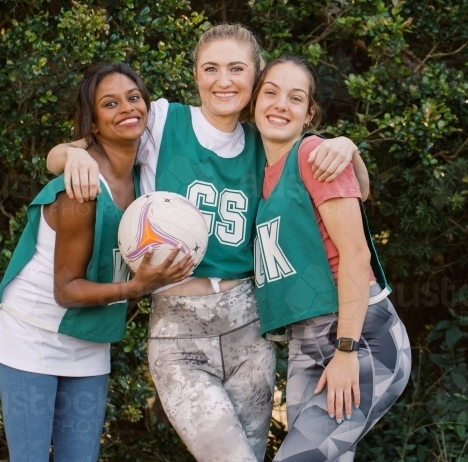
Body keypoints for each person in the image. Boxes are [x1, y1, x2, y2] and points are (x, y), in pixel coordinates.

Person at [45, 24, 367, 462]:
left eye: (237, 69)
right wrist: (75, 154)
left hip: (248, 325)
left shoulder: (267, 139)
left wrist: (347, 146)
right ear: (195, 75)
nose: (223, 80)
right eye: (210, 68)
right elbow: (59, 154)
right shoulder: (162, 120)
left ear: (255, 77)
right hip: (178, 331)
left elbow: (355, 189)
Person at [0, 63, 194, 462]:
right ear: (93, 123)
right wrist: (136, 288)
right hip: (33, 332)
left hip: (89, 338)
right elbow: (67, 290)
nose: (126, 108)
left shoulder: (146, 177)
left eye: (133, 97)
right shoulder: (82, 189)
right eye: (109, 103)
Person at [251, 55, 412, 462]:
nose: (280, 104)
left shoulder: (313, 154)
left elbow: (357, 255)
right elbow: (360, 189)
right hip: (308, 340)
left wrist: (346, 350)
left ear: (309, 115)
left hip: (361, 337)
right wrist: (352, 150)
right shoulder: (263, 168)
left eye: (295, 97)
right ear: (253, 101)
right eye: (270, 92)